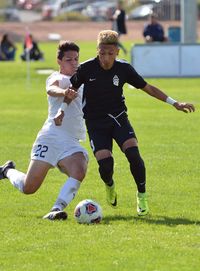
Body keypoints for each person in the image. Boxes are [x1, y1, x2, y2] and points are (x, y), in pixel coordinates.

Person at [54, 30, 195, 217]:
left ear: (117, 52)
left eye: (110, 53)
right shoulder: (87, 69)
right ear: (97, 50)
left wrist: (175, 103)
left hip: (119, 119)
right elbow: (71, 91)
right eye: (102, 53)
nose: (105, 58)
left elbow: (148, 88)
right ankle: (110, 185)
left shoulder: (124, 69)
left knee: (134, 155)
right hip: (96, 123)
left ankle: (142, 195)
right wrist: (61, 110)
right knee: (106, 167)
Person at [0, 40, 88, 221]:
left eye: (76, 59)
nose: (73, 63)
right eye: (69, 60)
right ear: (59, 61)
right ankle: (6, 171)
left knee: (79, 169)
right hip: (50, 138)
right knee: (28, 188)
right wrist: (64, 92)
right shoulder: (58, 78)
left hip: (70, 141)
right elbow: (51, 88)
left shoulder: (81, 82)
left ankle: (56, 209)